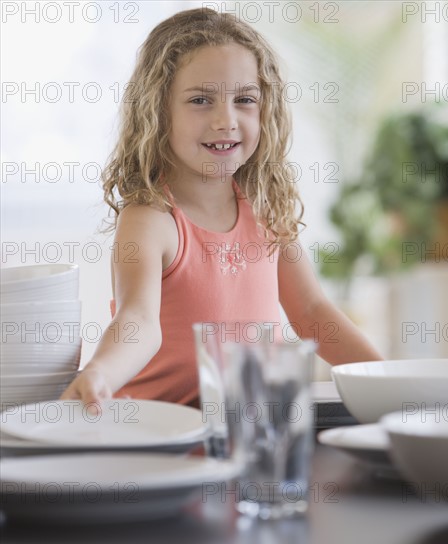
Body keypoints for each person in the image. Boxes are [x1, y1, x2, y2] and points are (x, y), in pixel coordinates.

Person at [61, 8, 382, 408]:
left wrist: (387, 379)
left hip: (252, 430)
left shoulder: (267, 207)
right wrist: (99, 373)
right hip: (165, 434)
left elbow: (312, 312)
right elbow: (138, 322)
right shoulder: (150, 219)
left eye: (244, 100)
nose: (225, 120)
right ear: (159, 113)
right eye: (200, 100)